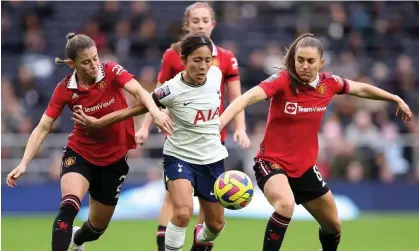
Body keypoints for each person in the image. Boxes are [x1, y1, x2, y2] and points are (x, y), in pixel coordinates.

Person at [219, 33, 413, 251]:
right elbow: (246, 98)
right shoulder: (282, 81)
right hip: (271, 163)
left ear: (321, 63)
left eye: (310, 61)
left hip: (304, 169)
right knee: (285, 205)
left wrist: (394, 98)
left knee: (333, 225)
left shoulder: (328, 83)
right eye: (300, 60)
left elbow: (361, 88)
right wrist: (220, 124)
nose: (304, 65)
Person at [5, 33, 173, 251]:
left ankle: (77, 241)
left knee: (97, 228)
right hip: (80, 154)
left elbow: (140, 91)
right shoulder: (65, 89)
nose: (94, 65)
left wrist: (156, 115)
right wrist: (24, 163)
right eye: (86, 61)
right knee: (68, 207)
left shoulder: (112, 70)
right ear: (72, 63)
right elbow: (43, 127)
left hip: (114, 160)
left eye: (95, 58)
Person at [72, 33, 229, 251]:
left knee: (216, 225)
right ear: (183, 61)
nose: (203, 66)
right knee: (182, 213)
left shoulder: (216, 75)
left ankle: (199, 240)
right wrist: (100, 122)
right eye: (197, 60)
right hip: (180, 156)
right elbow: (140, 106)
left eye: (207, 60)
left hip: (212, 158)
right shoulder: (171, 89)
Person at [134, 2, 250, 250]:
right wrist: (147, 123)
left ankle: (200, 242)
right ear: (187, 25)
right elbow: (157, 94)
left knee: (214, 221)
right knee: (181, 207)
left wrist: (240, 127)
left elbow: (236, 98)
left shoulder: (224, 62)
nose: (200, 24)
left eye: (205, 20)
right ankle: (165, 241)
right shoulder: (173, 57)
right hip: (179, 138)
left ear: (213, 24)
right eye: (195, 20)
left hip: (212, 141)